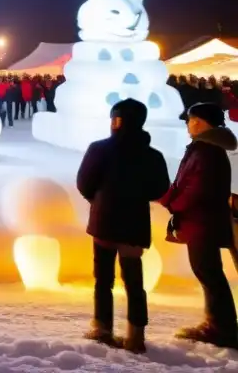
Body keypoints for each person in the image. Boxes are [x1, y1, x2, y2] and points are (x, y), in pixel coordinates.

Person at [75, 98, 170, 353]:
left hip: (104, 222)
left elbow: (84, 182)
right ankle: (136, 335)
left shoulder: (99, 149)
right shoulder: (152, 155)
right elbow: (160, 188)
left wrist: (97, 198)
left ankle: (102, 327)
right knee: (134, 281)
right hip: (135, 224)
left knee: (103, 278)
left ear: (116, 121)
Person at [161, 102, 238, 348]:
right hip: (202, 220)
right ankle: (219, 324)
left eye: (190, 119)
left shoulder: (206, 150)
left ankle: (221, 327)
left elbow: (196, 189)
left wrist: (171, 202)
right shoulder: (205, 147)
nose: (187, 124)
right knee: (208, 271)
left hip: (202, 221)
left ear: (200, 121)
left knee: (208, 272)